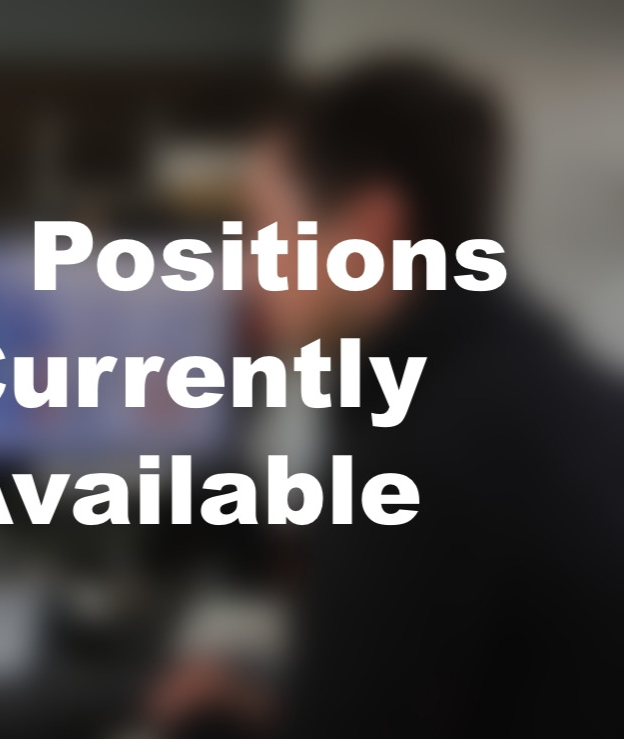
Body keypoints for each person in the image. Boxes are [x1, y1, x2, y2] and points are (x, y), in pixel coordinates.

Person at [145, 57, 624, 738]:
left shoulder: (424, 453)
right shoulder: (540, 388)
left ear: (370, 230)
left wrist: (207, 721)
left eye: (265, 230)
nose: (247, 269)